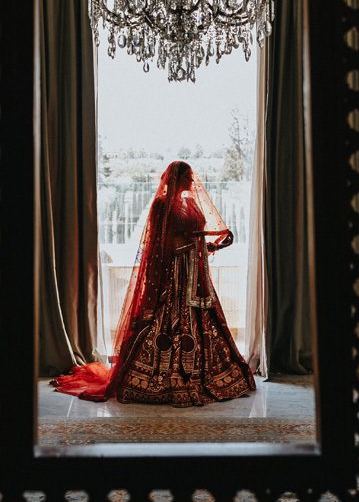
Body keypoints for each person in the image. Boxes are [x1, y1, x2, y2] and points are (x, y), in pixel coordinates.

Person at [53, 160, 255, 407]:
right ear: (176, 179)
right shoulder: (161, 205)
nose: (192, 181)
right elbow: (160, 244)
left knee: (205, 322)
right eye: (188, 177)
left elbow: (197, 236)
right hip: (173, 276)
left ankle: (207, 373)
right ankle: (160, 377)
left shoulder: (191, 203)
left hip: (196, 275)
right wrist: (194, 245)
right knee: (164, 323)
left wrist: (211, 245)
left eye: (192, 177)